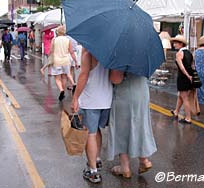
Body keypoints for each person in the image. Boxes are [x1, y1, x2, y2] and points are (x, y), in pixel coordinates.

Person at [71, 48, 113, 184]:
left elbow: (83, 76)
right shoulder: (110, 53)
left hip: (91, 101)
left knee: (90, 134)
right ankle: (97, 159)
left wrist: (75, 97)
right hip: (106, 100)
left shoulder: (89, 55)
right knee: (96, 131)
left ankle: (93, 171)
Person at [107, 70, 157, 179]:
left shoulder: (120, 55)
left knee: (122, 130)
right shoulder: (144, 53)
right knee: (140, 126)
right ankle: (144, 160)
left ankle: (125, 168)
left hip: (125, 94)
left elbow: (116, 79)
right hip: (142, 92)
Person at [49, 26, 78, 101]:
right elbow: (71, 52)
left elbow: (51, 51)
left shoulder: (54, 40)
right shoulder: (68, 40)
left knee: (57, 78)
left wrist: (49, 59)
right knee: (65, 77)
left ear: (57, 32)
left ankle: (61, 90)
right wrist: (76, 61)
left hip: (57, 61)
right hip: (66, 60)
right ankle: (69, 86)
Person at [171, 35, 194, 124]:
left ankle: (188, 118)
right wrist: (191, 76)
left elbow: (182, 67)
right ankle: (176, 111)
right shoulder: (189, 53)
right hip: (189, 77)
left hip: (183, 77)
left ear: (181, 44)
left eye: (176, 43)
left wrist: (187, 75)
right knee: (181, 96)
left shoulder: (179, 53)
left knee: (184, 98)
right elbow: (192, 65)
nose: (174, 45)